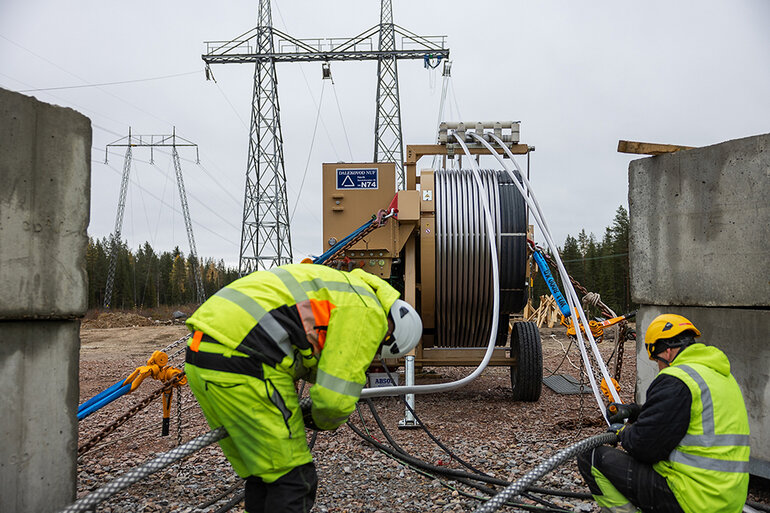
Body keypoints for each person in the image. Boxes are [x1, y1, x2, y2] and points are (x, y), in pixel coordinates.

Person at [184, 263, 423, 513]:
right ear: (388, 334)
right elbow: (334, 400)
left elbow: (314, 356)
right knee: (294, 479)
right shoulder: (368, 312)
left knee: (265, 472)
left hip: (203, 354)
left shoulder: (346, 289)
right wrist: (319, 420)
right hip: (246, 360)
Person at [577, 313, 750, 513]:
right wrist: (636, 412)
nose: (658, 366)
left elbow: (644, 447)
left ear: (666, 352)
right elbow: (682, 416)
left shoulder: (677, 378)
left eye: (656, 359)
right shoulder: (719, 375)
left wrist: (623, 433)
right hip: (728, 501)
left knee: (590, 457)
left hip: (694, 501)